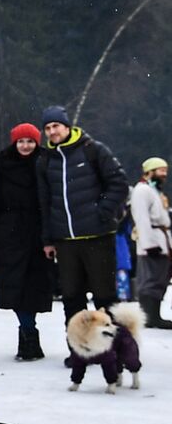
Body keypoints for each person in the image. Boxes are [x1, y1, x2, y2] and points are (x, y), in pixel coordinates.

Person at [35, 104, 128, 324]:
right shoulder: (45, 160)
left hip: (98, 237)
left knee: (105, 297)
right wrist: (47, 239)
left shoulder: (93, 149)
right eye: (47, 128)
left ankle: (115, 350)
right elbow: (44, 203)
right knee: (72, 299)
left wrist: (103, 211)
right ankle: (78, 351)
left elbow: (119, 183)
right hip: (65, 242)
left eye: (56, 126)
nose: (52, 132)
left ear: (67, 126)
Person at [0, 123, 54, 359]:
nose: (25, 146)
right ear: (15, 143)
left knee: (33, 289)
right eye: (21, 141)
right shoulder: (3, 166)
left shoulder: (46, 163)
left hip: (37, 234)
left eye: (30, 141)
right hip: (10, 235)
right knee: (14, 289)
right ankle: (27, 333)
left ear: (37, 143)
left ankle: (29, 333)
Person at [130, 156, 172, 328]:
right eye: (161, 170)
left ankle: (155, 315)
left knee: (160, 279)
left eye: (165, 171)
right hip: (152, 241)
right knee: (150, 280)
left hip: (161, 239)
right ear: (149, 172)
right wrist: (149, 244)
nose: (164, 174)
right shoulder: (142, 191)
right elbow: (141, 218)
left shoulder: (154, 191)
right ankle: (149, 317)